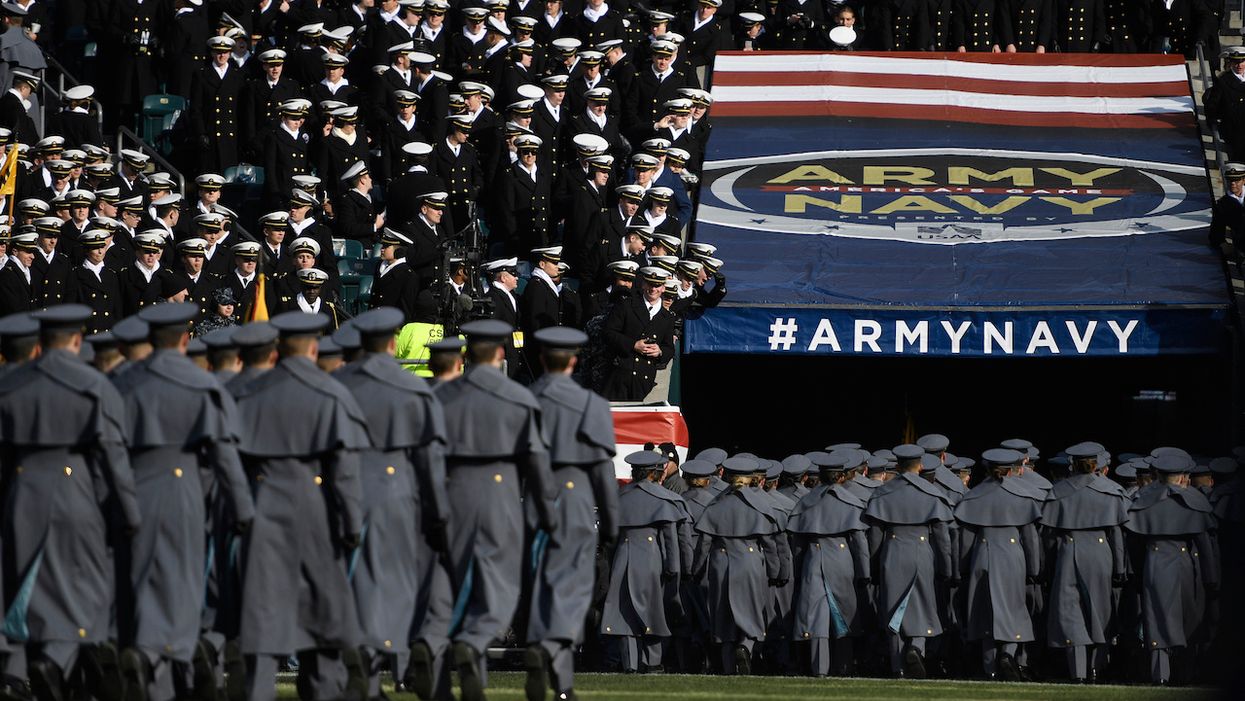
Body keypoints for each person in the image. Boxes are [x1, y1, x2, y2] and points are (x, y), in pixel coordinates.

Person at [113, 303, 256, 701]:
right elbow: (224, 454)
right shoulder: (200, 384)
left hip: (135, 485)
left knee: (140, 580)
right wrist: (243, 508)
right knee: (184, 582)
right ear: (183, 339)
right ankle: (175, 658)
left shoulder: (124, 382)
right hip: (185, 488)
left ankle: (148, 657)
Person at [0, 304, 141, 699]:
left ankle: (30, 664)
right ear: (78, 340)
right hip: (76, 489)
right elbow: (112, 455)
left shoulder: (11, 385)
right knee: (84, 586)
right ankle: (60, 661)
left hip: (22, 490)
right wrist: (128, 513)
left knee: (25, 583)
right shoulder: (93, 385)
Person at [233, 311, 371, 701]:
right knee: (324, 610)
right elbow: (344, 470)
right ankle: (324, 690)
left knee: (262, 608)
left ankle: (258, 688)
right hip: (316, 506)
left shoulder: (251, 394)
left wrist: (240, 513)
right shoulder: (331, 393)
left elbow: (232, 461)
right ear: (313, 347)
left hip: (263, 503)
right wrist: (351, 522)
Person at [429, 319, 556, 701]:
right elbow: (535, 460)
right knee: (498, 586)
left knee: (453, 585)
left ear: (466, 355)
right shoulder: (518, 397)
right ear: (501, 353)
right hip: (500, 492)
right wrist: (546, 509)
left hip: (453, 492)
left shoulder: (441, 396)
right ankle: (475, 639)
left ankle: (445, 660)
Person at [332, 308, 450, 699]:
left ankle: (363, 667)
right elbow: (429, 457)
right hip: (397, 489)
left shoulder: (336, 385)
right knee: (399, 585)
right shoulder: (412, 388)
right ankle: (385, 656)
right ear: (392, 343)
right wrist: (437, 512)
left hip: (342, 488)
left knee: (353, 582)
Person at [523, 326, 620, 701]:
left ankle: (553, 667)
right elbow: (601, 469)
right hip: (575, 497)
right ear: (575, 361)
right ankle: (553, 654)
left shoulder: (525, 400)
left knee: (540, 585)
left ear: (544, 360)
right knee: (573, 590)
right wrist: (611, 522)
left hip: (534, 498)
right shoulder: (590, 405)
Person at [1124, 453, 1220, 684]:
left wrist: (1137, 574)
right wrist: (1211, 579)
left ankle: (1161, 674)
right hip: (1185, 563)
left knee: (1157, 618)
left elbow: (1135, 544)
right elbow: (1204, 545)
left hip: (1154, 563)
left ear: (1157, 474)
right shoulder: (1193, 500)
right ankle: (1184, 674)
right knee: (1189, 617)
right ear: (1182, 476)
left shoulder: (1144, 499)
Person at [862, 444, 955, 678]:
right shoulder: (932, 493)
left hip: (892, 552)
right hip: (922, 552)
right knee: (922, 604)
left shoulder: (883, 492)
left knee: (892, 609)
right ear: (921, 466)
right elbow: (943, 538)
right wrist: (947, 568)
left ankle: (898, 666)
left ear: (897, 466)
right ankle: (916, 647)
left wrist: (873, 568)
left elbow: (874, 537)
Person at [693, 455, 791, 675]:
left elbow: (704, 543)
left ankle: (729, 670)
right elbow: (769, 543)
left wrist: (696, 570)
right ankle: (745, 646)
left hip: (720, 561)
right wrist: (775, 572)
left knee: (723, 616)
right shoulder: (761, 504)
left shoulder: (716, 503)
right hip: (750, 562)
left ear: (728, 477)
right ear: (751, 479)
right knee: (752, 612)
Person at [1042, 442, 1131, 683]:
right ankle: (1095, 668)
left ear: (1072, 464)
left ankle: (1078, 671)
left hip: (1067, 551)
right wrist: (1120, 568)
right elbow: (1117, 535)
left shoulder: (1059, 490)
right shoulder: (1111, 490)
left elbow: (1049, 537)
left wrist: (1048, 567)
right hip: (1100, 553)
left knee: (1071, 613)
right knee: (1099, 611)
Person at [954, 448, 1043, 680]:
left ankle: (990, 668)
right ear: (1014, 468)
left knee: (984, 612)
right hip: (1013, 556)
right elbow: (1030, 538)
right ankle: (1008, 653)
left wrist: (963, 569)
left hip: (982, 554)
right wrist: (1034, 570)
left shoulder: (974, 495)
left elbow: (966, 540)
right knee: (1014, 607)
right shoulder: (1022, 495)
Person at [601, 450, 692, 673]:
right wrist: (674, 568)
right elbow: (671, 539)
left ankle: (629, 663)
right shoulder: (665, 499)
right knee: (654, 611)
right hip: (652, 560)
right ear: (655, 473)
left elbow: (609, 539)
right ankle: (652, 662)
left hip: (623, 555)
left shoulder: (620, 498)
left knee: (624, 612)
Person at [787, 454, 871, 677]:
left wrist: (797, 570)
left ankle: (819, 667)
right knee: (844, 612)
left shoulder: (805, 501)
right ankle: (844, 666)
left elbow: (797, 544)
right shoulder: (850, 501)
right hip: (842, 559)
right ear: (842, 476)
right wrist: (864, 574)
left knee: (816, 616)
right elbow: (859, 542)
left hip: (812, 558)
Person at [601, 266, 676, 401]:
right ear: (643, 284)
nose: (653, 289)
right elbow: (608, 333)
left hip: (643, 380)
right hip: (619, 377)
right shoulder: (626, 305)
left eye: (657, 285)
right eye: (650, 284)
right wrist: (633, 345)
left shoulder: (667, 317)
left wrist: (659, 352)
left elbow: (669, 348)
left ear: (663, 288)